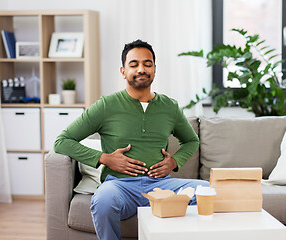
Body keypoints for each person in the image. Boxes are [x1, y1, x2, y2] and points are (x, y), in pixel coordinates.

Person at [54, 39, 209, 240]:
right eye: (134, 64)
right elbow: (62, 141)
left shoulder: (169, 107)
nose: (141, 69)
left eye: (147, 63)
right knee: (103, 200)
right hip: (119, 186)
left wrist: (174, 162)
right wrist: (105, 158)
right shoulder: (106, 106)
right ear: (123, 71)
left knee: (206, 191)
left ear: (154, 69)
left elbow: (191, 141)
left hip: (160, 187)